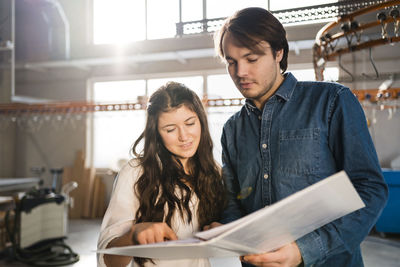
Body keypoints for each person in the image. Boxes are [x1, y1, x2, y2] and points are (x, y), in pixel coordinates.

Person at [213, 7, 388, 267]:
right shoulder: (232, 129)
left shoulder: (331, 102)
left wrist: (304, 250)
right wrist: (228, 232)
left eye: (251, 59)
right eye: (231, 61)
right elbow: (232, 201)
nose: (240, 72)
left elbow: (369, 189)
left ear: (278, 52)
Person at [97, 82, 227, 267]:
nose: (184, 136)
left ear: (201, 121)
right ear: (156, 133)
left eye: (190, 123)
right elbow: (108, 260)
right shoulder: (136, 173)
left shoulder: (213, 170)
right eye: (170, 129)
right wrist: (133, 235)